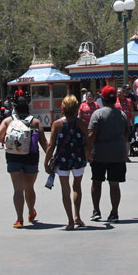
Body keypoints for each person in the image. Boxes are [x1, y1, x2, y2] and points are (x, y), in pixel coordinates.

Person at [0, 97, 48, 228]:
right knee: (29, 187)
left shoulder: (8, 121)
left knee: (18, 189)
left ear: (15, 108)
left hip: (13, 157)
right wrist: (51, 158)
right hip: (31, 157)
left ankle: (19, 219)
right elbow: (44, 143)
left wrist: (9, 144)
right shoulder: (35, 122)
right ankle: (31, 212)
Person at [45, 94, 89, 230]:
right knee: (77, 187)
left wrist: (46, 162)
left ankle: (70, 221)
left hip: (63, 159)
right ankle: (77, 216)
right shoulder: (81, 123)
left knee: (65, 190)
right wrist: (89, 155)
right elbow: (87, 142)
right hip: (78, 158)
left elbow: (51, 145)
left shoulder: (57, 124)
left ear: (63, 108)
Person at [87, 85, 130, 222]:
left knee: (97, 182)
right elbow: (126, 134)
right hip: (118, 154)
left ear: (103, 100)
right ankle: (114, 212)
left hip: (99, 154)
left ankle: (96, 211)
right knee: (114, 184)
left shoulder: (97, 114)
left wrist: (88, 151)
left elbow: (91, 134)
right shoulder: (122, 114)